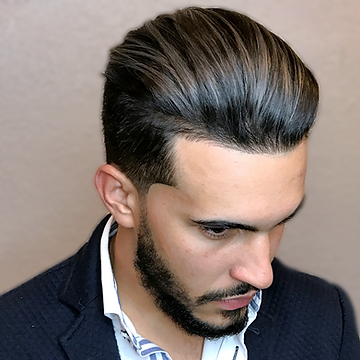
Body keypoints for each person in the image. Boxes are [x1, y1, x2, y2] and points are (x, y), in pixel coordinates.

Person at [0, 6, 359, 360]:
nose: (261, 275)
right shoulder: (12, 340)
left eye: (280, 220)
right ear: (120, 196)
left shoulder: (327, 321)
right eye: (218, 230)